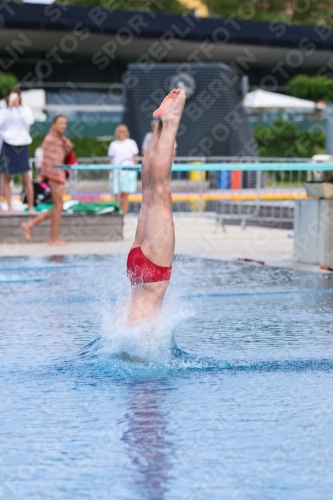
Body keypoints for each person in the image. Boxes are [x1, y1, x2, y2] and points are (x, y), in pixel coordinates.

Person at [126, 88, 186, 327]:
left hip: (149, 273)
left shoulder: (132, 335)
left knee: (159, 192)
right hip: (136, 269)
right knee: (150, 194)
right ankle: (159, 126)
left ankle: (168, 123)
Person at [21, 115, 73, 246]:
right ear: (53, 124)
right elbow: (50, 162)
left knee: (56, 208)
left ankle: (30, 224)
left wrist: (67, 146)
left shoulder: (60, 139)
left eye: (65, 123)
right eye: (61, 123)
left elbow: (62, 156)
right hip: (55, 177)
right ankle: (53, 239)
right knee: (59, 207)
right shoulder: (51, 139)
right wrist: (55, 177)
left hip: (57, 176)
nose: (64, 125)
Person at [0, 88, 34, 214]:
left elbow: (29, 121)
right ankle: (9, 207)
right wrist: (9, 108)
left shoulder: (25, 110)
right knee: (7, 178)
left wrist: (18, 108)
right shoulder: (3, 111)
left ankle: (31, 207)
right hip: (8, 144)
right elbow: (1, 124)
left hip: (23, 144)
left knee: (26, 177)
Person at [108, 124, 139, 214]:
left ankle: (124, 212)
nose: (121, 133)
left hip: (127, 172)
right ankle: (116, 212)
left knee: (125, 194)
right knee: (116, 194)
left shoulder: (131, 142)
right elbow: (110, 159)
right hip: (116, 172)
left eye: (123, 131)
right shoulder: (113, 144)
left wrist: (133, 170)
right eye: (119, 131)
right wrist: (110, 172)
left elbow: (135, 157)